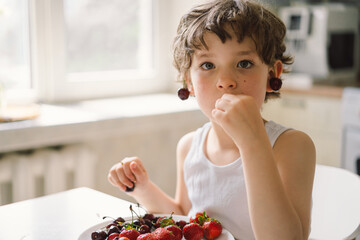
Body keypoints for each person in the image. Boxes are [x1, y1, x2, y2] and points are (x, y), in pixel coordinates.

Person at [108, 0, 316, 239]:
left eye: (244, 63)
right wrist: (143, 189)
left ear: (272, 74)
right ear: (189, 82)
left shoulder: (292, 146)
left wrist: (252, 142)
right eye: (208, 65)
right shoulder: (189, 146)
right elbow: (186, 220)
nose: (226, 80)